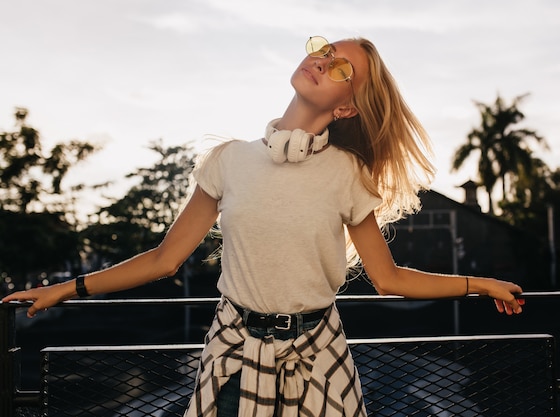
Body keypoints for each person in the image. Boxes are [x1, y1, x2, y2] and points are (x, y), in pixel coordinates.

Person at [2, 35, 524, 416]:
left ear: (347, 108)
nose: (323, 61)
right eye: (325, 50)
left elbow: (390, 280)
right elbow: (165, 260)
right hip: (233, 357)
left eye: (342, 68)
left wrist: (479, 284)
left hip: (320, 359)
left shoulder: (348, 175)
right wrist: (64, 289)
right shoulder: (229, 161)